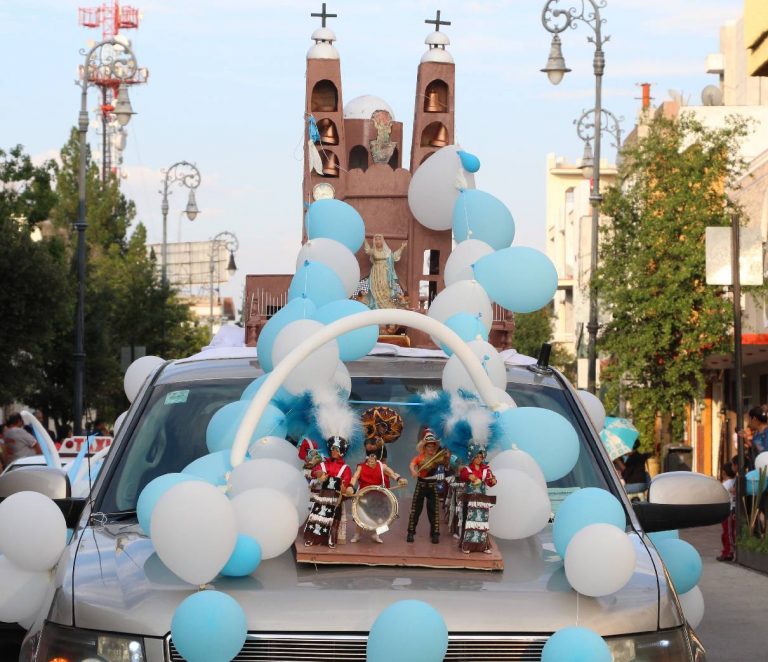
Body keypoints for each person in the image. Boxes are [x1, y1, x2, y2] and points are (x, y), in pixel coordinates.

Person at [304, 436, 354, 548]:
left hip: (336, 498)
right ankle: (312, 538)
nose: (333, 451)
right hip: (322, 496)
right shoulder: (323, 464)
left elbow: (346, 483)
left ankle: (330, 539)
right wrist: (319, 475)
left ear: (342, 451)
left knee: (334, 520)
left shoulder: (346, 468)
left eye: (336, 449)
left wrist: (344, 487)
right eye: (332, 449)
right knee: (316, 517)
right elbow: (314, 471)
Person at [349, 448, 407, 544]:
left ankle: (377, 534)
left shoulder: (382, 466)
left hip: (379, 497)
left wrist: (399, 479)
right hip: (364, 496)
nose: (371, 461)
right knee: (359, 516)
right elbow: (355, 477)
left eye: (374, 459)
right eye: (369, 459)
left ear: (377, 459)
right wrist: (350, 486)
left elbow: (391, 473)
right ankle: (357, 535)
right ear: (367, 459)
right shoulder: (361, 467)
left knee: (388, 519)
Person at [407, 428, 449, 544]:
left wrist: (446, 457)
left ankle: (435, 534)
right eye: (429, 446)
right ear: (424, 447)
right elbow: (412, 464)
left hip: (432, 486)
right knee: (415, 509)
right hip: (421, 485)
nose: (431, 448)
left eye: (433, 447)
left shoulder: (438, 457)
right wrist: (413, 471)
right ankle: (411, 532)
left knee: (434, 511)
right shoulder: (419, 457)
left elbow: (446, 463)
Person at [458, 443, 497, 554]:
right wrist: (470, 477)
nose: (479, 459)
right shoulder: (467, 469)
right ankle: (466, 545)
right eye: (477, 456)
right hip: (469, 500)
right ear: (472, 456)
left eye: (481, 457)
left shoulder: (486, 470)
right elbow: (463, 476)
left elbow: (490, 481)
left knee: (482, 523)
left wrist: (493, 481)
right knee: (468, 522)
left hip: (481, 501)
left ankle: (483, 546)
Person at [357, 234, 408, 310]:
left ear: (383, 241)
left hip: (385, 272)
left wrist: (402, 247)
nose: (378, 241)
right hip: (375, 273)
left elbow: (394, 257)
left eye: (379, 239)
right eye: (376, 239)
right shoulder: (373, 251)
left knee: (385, 289)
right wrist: (364, 240)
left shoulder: (387, 252)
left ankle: (387, 307)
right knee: (375, 289)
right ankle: (376, 307)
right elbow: (367, 250)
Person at [717, 463, 737, 562]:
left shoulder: (725, 484)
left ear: (724, 472)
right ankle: (729, 551)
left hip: (728, 510)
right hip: (734, 509)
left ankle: (728, 552)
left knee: (728, 533)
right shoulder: (736, 481)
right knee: (731, 532)